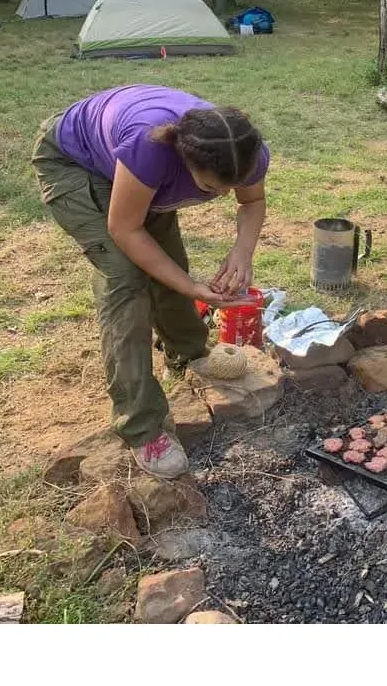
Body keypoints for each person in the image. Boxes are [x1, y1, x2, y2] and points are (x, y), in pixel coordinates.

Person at [31, 84, 269, 479]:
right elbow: (126, 229)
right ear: (183, 157)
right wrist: (193, 288)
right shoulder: (152, 149)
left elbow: (252, 201)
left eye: (231, 184)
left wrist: (242, 253)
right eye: (212, 188)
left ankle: (189, 352)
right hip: (75, 163)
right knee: (126, 284)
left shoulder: (245, 150)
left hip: (135, 170)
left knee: (169, 263)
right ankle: (141, 426)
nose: (225, 193)